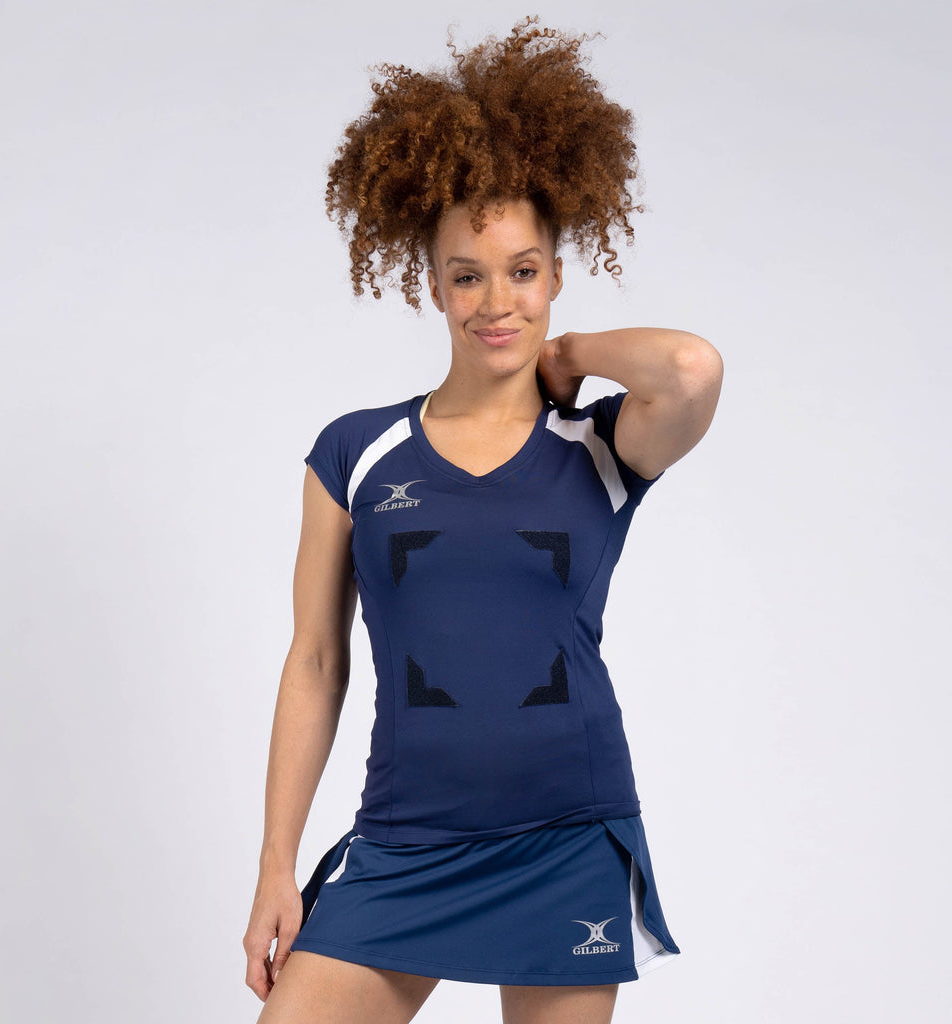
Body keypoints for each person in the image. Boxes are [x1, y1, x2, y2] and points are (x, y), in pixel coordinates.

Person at [243, 18, 723, 1024]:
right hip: (404, 842)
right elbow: (316, 661)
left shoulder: (599, 446)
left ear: (554, 277)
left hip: (566, 839)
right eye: (468, 273)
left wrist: (571, 354)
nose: (495, 301)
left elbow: (690, 368)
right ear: (432, 285)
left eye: (522, 270)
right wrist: (276, 867)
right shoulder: (356, 451)